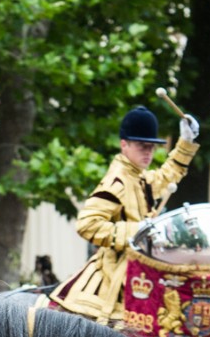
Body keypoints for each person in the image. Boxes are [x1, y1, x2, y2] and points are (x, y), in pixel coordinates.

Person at [49, 105, 200, 325]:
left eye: (152, 147)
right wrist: (137, 231)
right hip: (114, 275)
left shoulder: (138, 177)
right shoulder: (117, 181)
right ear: (124, 144)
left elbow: (167, 176)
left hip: (138, 269)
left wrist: (185, 143)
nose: (148, 152)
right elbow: (87, 224)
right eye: (142, 146)